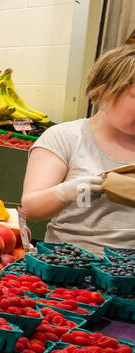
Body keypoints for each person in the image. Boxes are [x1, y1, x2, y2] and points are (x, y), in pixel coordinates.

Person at [21, 45, 135, 255]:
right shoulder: (66, 138)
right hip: (72, 268)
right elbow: (31, 209)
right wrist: (68, 191)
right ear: (104, 90)